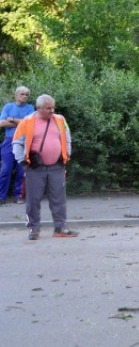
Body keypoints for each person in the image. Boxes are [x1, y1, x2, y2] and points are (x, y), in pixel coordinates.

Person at [12, 94, 78, 240]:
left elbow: (67, 138)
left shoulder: (60, 119)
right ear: (39, 108)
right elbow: (17, 143)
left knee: (59, 198)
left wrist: (66, 154)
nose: (52, 111)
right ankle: (33, 229)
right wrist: (23, 161)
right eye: (48, 108)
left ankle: (60, 228)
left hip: (57, 166)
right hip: (35, 167)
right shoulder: (27, 121)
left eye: (53, 107)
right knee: (33, 200)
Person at [0, 86, 34, 205]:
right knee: (5, 170)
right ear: (16, 95)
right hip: (9, 141)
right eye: (22, 94)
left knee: (21, 171)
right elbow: (2, 123)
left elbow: (29, 124)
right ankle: (1, 197)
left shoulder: (30, 108)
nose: (24, 96)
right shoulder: (8, 107)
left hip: (24, 142)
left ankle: (18, 196)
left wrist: (12, 119)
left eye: (26, 94)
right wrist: (20, 122)